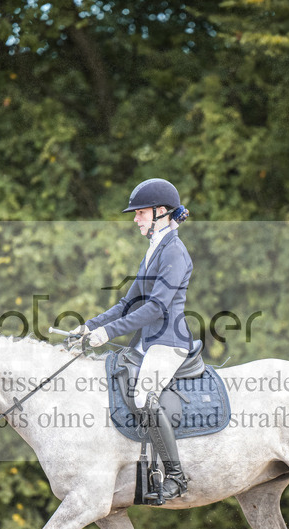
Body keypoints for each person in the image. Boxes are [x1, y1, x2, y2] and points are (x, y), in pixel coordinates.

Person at [71, 178, 193, 502]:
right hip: (146, 341)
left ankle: (177, 477)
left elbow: (155, 307)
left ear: (161, 212)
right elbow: (127, 304)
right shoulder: (154, 250)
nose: (135, 219)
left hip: (168, 341)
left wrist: (108, 333)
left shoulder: (175, 252)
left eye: (140, 213)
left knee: (143, 396)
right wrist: (89, 327)